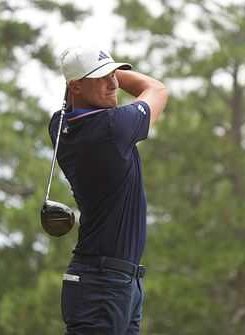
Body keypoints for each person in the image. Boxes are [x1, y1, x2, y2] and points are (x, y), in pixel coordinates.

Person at [48, 45, 167, 334]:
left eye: (113, 75)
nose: (113, 83)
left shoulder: (58, 125)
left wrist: (96, 72)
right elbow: (156, 89)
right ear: (75, 85)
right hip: (103, 284)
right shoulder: (114, 128)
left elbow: (71, 103)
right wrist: (118, 72)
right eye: (102, 77)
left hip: (115, 282)